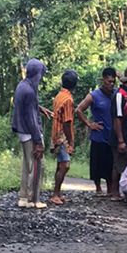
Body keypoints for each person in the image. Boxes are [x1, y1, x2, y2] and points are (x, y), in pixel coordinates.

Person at [77, 68, 119, 198]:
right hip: (99, 134)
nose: (111, 84)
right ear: (103, 80)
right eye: (108, 81)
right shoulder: (94, 95)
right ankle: (98, 187)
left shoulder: (116, 94)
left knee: (111, 163)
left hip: (112, 135)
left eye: (113, 81)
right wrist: (89, 124)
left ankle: (111, 188)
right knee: (97, 162)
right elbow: (79, 110)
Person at [11, 58, 46, 208]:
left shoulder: (22, 85)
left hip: (22, 131)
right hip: (30, 133)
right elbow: (31, 119)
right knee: (37, 166)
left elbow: (26, 107)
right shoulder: (30, 91)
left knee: (27, 166)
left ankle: (23, 197)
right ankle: (33, 199)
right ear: (37, 74)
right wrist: (38, 141)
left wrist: (40, 108)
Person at [48, 69, 79, 205]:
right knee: (65, 165)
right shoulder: (68, 100)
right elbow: (67, 122)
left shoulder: (59, 95)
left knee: (60, 163)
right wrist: (70, 141)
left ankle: (58, 193)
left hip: (55, 132)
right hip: (62, 135)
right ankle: (55, 194)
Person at [112, 73, 127, 196]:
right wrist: (120, 140)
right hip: (119, 136)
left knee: (125, 163)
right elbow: (117, 118)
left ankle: (122, 191)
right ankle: (115, 192)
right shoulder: (119, 95)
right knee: (118, 164)